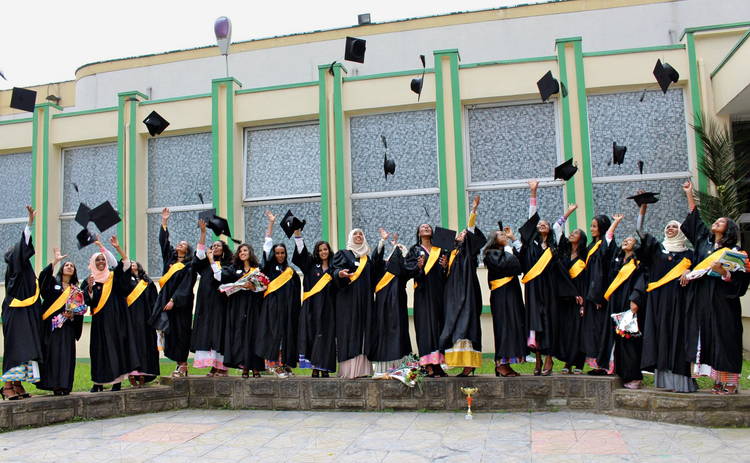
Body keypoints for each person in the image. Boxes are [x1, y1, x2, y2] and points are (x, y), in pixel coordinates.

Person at [681, 180, 749, 395]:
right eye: (717, 221)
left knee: (725, 337)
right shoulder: (704, 243)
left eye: (721, 222)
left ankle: (730, 382)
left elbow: (741, 280)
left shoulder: (734, 251)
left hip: (723, 301)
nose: (717, 223)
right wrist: (689, 194)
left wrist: (723, 273)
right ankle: (716, 380)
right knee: (708, 336)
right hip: (702, 298)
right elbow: (695, 221)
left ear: (729, 229)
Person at [635, 194, 696, 392]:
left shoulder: (689, 255)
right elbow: (640, 232)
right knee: (660, 337)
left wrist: (690, 271)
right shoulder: (657, 250)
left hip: (680, 301)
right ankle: (663, 380)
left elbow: (700, 272)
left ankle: (682, 381)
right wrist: (642, 211)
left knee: (679, 338)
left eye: (675, 227)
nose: (670, 229)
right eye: (668, 227)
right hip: (658, 302)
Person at [516, 182, 577, 376]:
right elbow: (532, 216)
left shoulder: (554, 247)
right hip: (534, 288)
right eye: (539, 224)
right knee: (535, 322)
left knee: (550, 321)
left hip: (550, 289)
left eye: (546, 224)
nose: (542, 224)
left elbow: (560, 224)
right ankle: (539, 359)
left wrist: (568, 212)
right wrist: (533, 192)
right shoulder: (531, 244)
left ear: (550, 230)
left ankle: (549, 357)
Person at [83, 236, 139, 392]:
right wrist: (89, 289)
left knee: (116, 350)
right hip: (99, 323)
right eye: (97, 260)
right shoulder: (90, 281)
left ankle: (117, 382)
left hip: (116, 321)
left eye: (103, 259)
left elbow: (125, 265)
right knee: (98, 351)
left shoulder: (113, 277)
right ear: (92, 263)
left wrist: (115, 248)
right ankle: (98, 383)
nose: (101, 262)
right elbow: (88, 302)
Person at [440, 195, 485, 376]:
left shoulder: (468, 252)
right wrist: (444, 267)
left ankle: (468, 365)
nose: (462, 234)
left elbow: (471, 230)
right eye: (460, 233)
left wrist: (473, 210)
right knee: (453, 324)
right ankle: (455, 361)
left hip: (466, 293)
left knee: (466, 324)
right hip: (452, 294)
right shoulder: (452, 253)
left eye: (464, 233)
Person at [1, 206, 43, 400]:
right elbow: (23, 243)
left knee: (27, 348)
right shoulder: (16, 271)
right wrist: (30, 223)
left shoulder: (25, 273)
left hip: (24, 314)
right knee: (17, 348)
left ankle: (17, 384)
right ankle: (7, 385)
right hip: (16, 313)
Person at [255, 211, 301, 377]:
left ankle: (284, 363)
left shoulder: (290, 271)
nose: (280, 255)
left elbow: (296, 291)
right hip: (272, 307)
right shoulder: (268, 267)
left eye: (282, 253)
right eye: (277, 253)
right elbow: (267, 246)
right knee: (273, 334)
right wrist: (271, 224)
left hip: (287, 308)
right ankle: (273, 364)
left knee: (285, 335)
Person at [151, 207, 196, 377]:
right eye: (179, 243)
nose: (180, 244)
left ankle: (183, 365)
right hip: (166, 301)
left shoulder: (189, 266)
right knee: (170, 333)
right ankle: (179, 364)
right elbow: (164, 242)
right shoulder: (170, 260)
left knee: (181, 332)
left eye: (183, 244)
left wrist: (174, 300)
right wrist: (164, 222)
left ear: (187, 250)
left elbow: (186, 285)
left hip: (180, 305)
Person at [600, 227, 647, 389]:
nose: (626, 240)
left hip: (629, 304)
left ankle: (634, 376)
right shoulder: (618, 260)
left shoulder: (638, 263)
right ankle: (619, 371)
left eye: (631, 239)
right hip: (615, 304)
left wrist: (635, 301)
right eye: (625, 239)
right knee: (617, 338)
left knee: (629, 339)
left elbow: (641, 282)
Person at [37, 248, 84, 395]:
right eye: (66, 265)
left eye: (72, 266)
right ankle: (55, 385)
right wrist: (56, 260)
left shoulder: (76, 290)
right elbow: (42, 278)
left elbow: (80, 310)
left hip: (68, 327)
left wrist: (73, 316)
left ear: (74, 272)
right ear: (62, 269)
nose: (69, 267)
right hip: (52, 327)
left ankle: (65, 385)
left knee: (66, 356)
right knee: (53, 355)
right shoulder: (52, 284)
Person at [214, 242, 265, 378]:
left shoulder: (257, 269)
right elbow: (219, 277)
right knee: (240, 335)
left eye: (245, 250)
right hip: (237, 306)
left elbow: (263, 286)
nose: (242, 253)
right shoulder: (233, 268)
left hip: (253, 306)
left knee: (253, 335)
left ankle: (256, 367)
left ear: (250, 252)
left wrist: (253, 287)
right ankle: (244, 367)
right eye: (240, 251)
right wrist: (211, 260)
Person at [332, 228, 377, 379]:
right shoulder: (343, 254)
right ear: (351, 237)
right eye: (355, 234)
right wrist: (340, 274)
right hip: (348, 300)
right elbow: (335, 270)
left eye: (361, 234)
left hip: (365, 300)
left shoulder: (367, 259)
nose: (358, 236)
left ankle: (364, 369)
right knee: (349, 329)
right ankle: (349, 371)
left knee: (364, 330)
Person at [292, 230, 336, 377]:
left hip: (329, 308)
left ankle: (325, 367)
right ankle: (315, 367)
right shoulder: (311, 265)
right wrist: (298, 236)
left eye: (325, 249)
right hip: (312, 306)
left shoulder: (335, 267)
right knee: (312, 335)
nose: (323, 252)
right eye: (320, 250)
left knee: (326, 337)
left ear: (329, 251)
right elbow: (301, 255)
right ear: (317, 252)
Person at [405, 223, 448, 377]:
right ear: (418, 232)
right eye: (422, 227)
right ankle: (427, 364)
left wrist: (445, 267)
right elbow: (408, 271)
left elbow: (445, 273)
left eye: (428, 226)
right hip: (423, 293)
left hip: (438, 292)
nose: (426, 228)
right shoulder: (414, 250)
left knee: (438, 326)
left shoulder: (440, 249)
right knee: (425, 327)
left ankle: (437, 364)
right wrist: (418, 267)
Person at [367, 229, 412, 373]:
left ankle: (400, 367)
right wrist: (383, 241)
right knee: (381, 331)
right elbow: (375, 258)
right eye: (395, 250)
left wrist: (402, 251)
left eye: (399, 250)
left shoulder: (401, 269)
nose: (397, 251)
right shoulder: (380, 266)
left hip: (398, 302)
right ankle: (383, 368)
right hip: (381, 304)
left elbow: (410, 269)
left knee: (399, 332)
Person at [483, 226, 526, 377]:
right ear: (494, 240)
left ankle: (507, 363)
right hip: (501, 295)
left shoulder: (507, 250)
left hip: (512, 292)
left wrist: (513, 239)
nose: (504, 235)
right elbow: (505, 265)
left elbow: (521, 263)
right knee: (503, 327)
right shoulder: (490, 253)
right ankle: (500, 364)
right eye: (501, 234)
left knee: (513, 326)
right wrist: (508, 247)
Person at [191, 219, 232, 376]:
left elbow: (222, 278)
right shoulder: (205, 264)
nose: (215, 247)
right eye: (213, 246)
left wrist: (211, 260)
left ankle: (221, 367)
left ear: (223, 250)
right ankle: (212, 365)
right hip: (206, 303)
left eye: (218, 246)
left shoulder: (228, 264)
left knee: (219, 332)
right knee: (207, 332)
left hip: (221, 303)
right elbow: (199, 254)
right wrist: (203, 233)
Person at [582, 212, 617, 374]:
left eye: (595, 226)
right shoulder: (592, 246)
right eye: (591, 226)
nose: (591, 229)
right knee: (592, 331)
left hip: (600, 296)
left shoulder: (606, 245)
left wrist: (597, 296)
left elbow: (601, 272)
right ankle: (596, 363)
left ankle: (605, 365)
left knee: (601, 330)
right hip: (590, 294)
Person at [555, 206, 588, 374]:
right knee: (566, 331)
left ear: (581, 239)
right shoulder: (563, 252)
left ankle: (579, 364)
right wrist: (568, 213)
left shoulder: (585, 256)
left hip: (579, 299)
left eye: (575, 233)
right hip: (565, 298)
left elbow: (586, 280)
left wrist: (583, 300)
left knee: (578, 331)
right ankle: (567, 362)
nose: (572, 234)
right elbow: (556, 228)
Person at [123, 259, 159, 387]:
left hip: (145, 319)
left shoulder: (147, 282)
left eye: (134, 263)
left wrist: (154, 317)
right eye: (130, 263)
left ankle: (144, 372)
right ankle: (132, 373)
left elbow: (154, 300)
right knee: (132, 345)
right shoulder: (125, 281)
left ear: (139, 266)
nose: (132, 264)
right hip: (130, 318)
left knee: (145, 344)